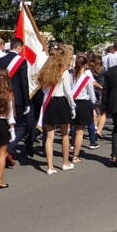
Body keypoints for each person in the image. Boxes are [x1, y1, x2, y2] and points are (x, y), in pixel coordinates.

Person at [37, 47, 74, 175]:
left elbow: (42, 90)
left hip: (48, 103)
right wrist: (73, 106)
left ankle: (50, 167)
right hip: (61, 102)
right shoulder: (64, 72)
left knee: (49, 136)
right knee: (65, 135)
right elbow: (68, 93)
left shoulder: (44, 71)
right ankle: (65, 163)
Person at [0, 38, 32, 163]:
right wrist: (27, 102)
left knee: (6, 124)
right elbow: (24, 82)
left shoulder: (1, 60)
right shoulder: (21, 61)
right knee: (22, 126)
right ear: (18, 47)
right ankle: (8, 149)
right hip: (17, 99)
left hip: (2, 95)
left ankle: (3, 150)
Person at [70, 55, 96, 164]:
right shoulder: (87, 79)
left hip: (71, 103)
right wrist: (93, 102)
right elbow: (92, 96)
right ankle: (75, 156)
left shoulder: (70, 75)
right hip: (83, 104)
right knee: (80, 131)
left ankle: (69, 148)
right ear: (85, 65)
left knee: (70, 129)